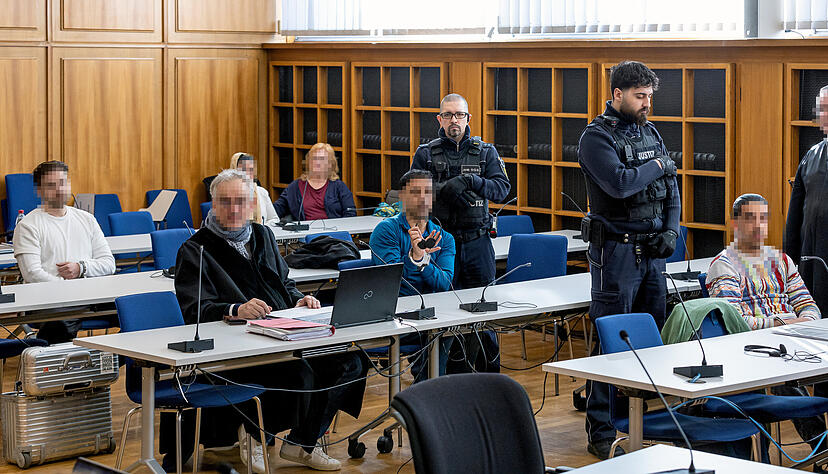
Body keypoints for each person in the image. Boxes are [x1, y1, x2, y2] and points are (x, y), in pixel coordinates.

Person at [173, 168, 367, 472]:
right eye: (225, 201)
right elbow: (194, 309)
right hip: (238, 345)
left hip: (285, 331)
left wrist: (298, 300)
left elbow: (284, 282)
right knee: (298, 373)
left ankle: (302, 443)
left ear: (252, 204)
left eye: (241, 201)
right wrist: (235, 309)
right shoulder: (195, 249)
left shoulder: (262, 235)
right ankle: (255, 434)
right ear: (212, 204)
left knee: (351, 363)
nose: (234, 209)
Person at [577, 61, 680, 460]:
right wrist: (656, 165)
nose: (647, 103)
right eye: (640, 96)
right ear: (617, 94)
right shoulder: (595, 137)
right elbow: (621, 185)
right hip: (615, 252)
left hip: (653, 252)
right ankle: (601, 428)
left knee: (649, 341)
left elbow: (671, 188)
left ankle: (639, 422)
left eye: (650, 96)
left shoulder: (650, 132)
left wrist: (671, 230)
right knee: (611, 342)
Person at [708, 193, 825, 458]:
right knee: (787, 376)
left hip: (794, 341)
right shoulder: (724, 265)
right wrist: (784, 321)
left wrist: (802, 321)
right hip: (752, 351)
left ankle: (821, 450)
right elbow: (736, 322)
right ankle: (822, 449)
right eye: (750, 219)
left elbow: (809, 307)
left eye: (763, 218)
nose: (758, 225)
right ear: (735, 224)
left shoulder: (782, 261)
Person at [410, 93, 510, 374]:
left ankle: (489, 379)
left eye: (460, 115)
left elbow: (502, 189)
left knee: (484, 313)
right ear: (439, 119)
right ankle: (440, 378)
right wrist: (444, 190)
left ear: (468, 118)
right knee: (441, 314)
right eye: (449, 115)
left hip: (477, 243)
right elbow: (413, 194)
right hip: (440, 245)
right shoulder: (426, 153)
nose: (454, 120)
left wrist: (470, 180)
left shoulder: (486, 152)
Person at [13, 160, 116, 343]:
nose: (59, 189)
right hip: (49, 300)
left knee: (139, 310)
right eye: (51, 185)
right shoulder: (28, 225)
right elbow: (32, 274)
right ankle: (59, 368)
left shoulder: (87, 219)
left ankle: (124, 363)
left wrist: (81, 268)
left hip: (91, 296)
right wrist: (69, 291)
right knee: (59, 325)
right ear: (39, 191)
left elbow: (109, 263)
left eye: (62, 183)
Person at [369, 169, 456, 381]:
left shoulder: (444, 237)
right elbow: (393, 280)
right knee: (441, 331)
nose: (423, 198)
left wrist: (423, 262)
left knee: (465, 330)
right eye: (416, 192)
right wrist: (414, 257)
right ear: (402, 197)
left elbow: (444, 283)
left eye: (427, 192)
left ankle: (433, 392)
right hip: (393, 313)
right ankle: (425, 394)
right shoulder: (386, 230)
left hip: (432, 313)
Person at [785, 84, 828, 315]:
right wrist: (788, 263)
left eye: (826, 109)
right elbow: (795, 217)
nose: (822, 115)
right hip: (812, 257)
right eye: (820, 109)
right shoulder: (812, 155)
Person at [274, 143, 356, 221]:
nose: (317, 162)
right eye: (314, 158)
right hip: (306, 233)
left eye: (322, 159)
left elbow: (350, 213)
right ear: (308, 162)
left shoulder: (339, 186)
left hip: (334, 232)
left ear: (330, 164)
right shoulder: (295, 186)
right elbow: (276, 210)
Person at [231, 152, 280, 226]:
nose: (248, 174)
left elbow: (274, 219)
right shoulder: (228, 194)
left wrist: (262, 228)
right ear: (235, 171)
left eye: (251, 170)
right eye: (244, 170)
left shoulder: (262, 192)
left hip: (262, 234)